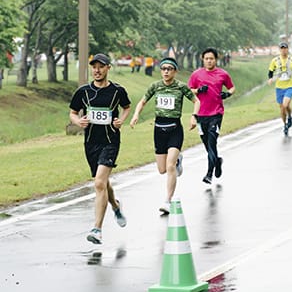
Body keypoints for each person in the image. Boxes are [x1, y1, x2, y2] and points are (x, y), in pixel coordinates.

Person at [69, 53, 131, 244]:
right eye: (94, 67)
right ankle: (115, 206)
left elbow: (126, 107)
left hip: (110, 141)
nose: (97, 70)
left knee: (98, 184)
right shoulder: (83, 92)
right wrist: (79, 121)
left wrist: (121, 120)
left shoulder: (117, 91)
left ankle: (97, 229)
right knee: (102, 182)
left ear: (108, 68)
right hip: (90, 143)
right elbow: (72, 113)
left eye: (101, 67)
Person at [130, 57, 200, 215]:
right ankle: (177, 162)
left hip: (175, 128)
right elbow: (142, 102)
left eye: (169, 69)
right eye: (163, 69)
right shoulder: (155, 86)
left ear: (175, 71)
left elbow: (197, 101)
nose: (166, 71)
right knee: (162, 169)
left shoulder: (181, 87)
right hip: (158, 129)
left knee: (169, 166)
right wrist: (135, 115)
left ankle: (167, 200)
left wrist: (194, 116)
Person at [188, 47, 235, 184]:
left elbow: (232, 87)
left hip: (216, 113)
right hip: (201, 114)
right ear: (203, 59)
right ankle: (218, 161)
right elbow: (189, 90)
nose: (209, 61)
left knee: (212, 142)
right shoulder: (196, 74)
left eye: (211, 59)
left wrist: (227, 94)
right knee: (207, 145)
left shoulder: (222, 74)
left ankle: (209, 174)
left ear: (216, 59)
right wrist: (198, 90)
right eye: (206, 58)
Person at [267, 42, 292, 135]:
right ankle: (285, 123)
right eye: (282, 48)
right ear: (279, 50)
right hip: (279, 87)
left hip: (289, 86)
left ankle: (289, 116)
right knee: (282, 107)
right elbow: (270, 71)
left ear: (287, 49)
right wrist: (270, 79)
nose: (283, 50)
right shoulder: (275, 60)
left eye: (285, 48)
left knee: (285, 105)